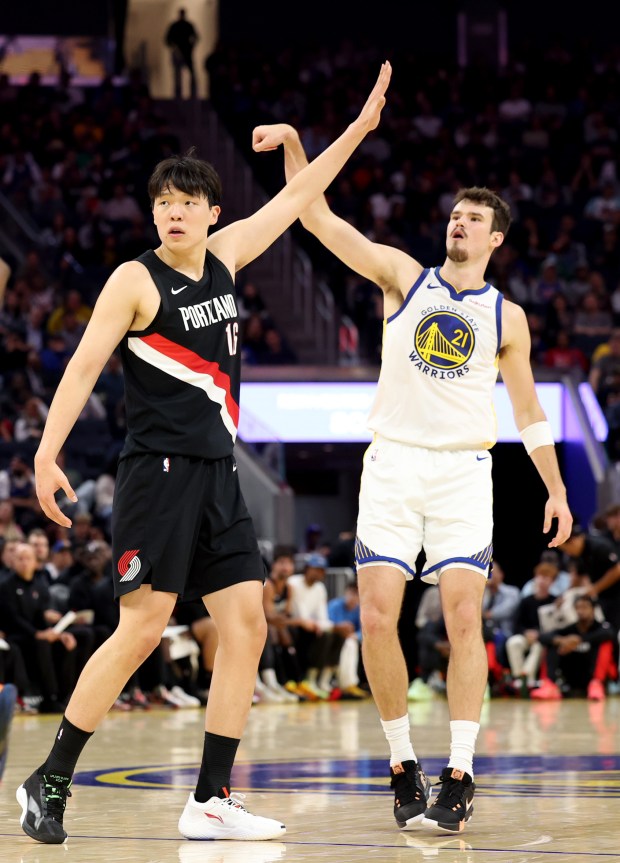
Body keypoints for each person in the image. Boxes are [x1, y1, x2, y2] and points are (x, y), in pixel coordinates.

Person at [16, 62, 392, 845]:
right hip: (156, 474)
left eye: (188, 202)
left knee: (247, 625)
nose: (174, 213)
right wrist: (47, 455)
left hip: (219, 475)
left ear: (212, 212)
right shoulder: (134, 280)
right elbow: (81, 368)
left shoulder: (228, 254)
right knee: (141, 629)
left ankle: (212, 797)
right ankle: (48, 779)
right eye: (164, 202)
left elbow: (297, 196)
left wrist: (356, 130)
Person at [252, 123, 572, 833]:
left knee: (463, 619)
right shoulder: (404, 275)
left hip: (463, 470)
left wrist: (555, 487)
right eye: (456, 214)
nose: (460, 222)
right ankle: (402, 761)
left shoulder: (508, 317)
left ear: (495, 238)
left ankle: (460, 771)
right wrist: (298, 147)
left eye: (475, 218)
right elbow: (315, 216)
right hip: (393, 463)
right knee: (375, 617)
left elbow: (528, 412)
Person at [165, 9, 198, 100]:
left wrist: (190, 47)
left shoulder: (186, 25)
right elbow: (167, 40)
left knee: (189, 73)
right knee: (177, 75)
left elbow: (195, 37)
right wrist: (175, 48)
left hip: (186, 53)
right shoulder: (176, 26)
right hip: (179, 53)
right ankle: (178, 94)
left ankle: (192, 93)